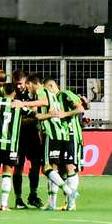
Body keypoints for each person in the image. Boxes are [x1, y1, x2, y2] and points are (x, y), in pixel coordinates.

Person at [14, 75, 76, 211]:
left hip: (51, 133)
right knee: (53, 168)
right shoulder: (52, 94)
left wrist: (22, 104)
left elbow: (43, 102)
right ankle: (53, 203)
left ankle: (70, 192)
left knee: (47, 168)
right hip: (60, 133)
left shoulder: (41, 91)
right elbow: (39, 115)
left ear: (31, 84)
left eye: (27, 85)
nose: (26, 88)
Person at [44, 78, 84, 210]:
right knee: (60, 169)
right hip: (62, 135)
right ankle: (54, 203)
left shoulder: (65, 94)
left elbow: (80, 109)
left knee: (70, 167)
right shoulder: (54, 100)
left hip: (72, 135)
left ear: (51, 86)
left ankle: (71, 202)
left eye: (46, 90)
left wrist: (65, 114)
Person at [0, 83, 23, 210]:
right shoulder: (19, 106)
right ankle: (4, 204)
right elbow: (35, 115)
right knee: (7, 173)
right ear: (14, 93)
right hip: (11, 145)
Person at [11, 69, 43, 209]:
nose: (19, 86)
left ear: (27, 82)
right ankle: (18, 199)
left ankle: (33, 195)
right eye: (17, 84)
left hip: (32, 135)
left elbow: (35, 113)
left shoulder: (33, 94)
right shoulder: (12, 94)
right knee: (18, 167)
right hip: (17, 136)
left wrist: (25, 114)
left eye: (21, 83)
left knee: (36, 164)